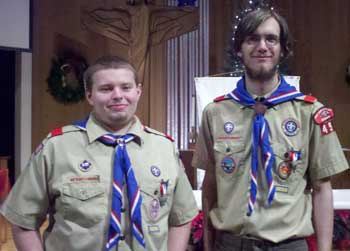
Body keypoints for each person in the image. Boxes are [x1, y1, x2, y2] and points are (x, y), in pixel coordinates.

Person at [0, 56, 198, 251]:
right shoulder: (56, 147)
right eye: (106, 88)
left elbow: (180, 218)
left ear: (138, 91)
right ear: (89, 96)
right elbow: (23, 220)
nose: (118, 95)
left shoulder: (164, 148)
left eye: (126, 87)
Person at [193, 7, 349, 251]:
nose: (262, 46)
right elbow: (210, 185)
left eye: (271, 39)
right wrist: (210, 245)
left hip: (289, 245)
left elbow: (322, 189)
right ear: (238, 49)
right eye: (252, 38)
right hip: (232, 244)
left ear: (283, 49)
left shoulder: (309, 112)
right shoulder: (215, 113)